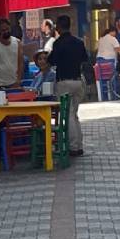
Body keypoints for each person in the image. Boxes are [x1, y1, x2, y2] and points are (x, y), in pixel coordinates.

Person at [48, 14, 87, 156]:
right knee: (74, 114)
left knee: (68, 114)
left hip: (64, 82)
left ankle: (73, 147)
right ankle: (79, 144)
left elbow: (51, 61)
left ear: (58, 27)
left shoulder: (58, 43)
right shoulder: (79, 42)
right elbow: (84, 59)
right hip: (78, 81)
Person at [94, 26, 120, 101]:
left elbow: (95, 48)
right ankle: (115, 96)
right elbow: (119, 50)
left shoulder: (101, 39)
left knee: (103, 80)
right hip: (109, 64)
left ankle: (104, 97)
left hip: (99, 63)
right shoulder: (112, 38)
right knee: (115, 78)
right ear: (113, 32)